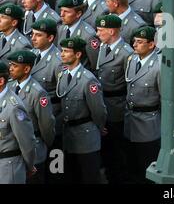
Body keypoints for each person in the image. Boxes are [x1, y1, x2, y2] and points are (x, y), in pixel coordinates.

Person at [57, 36, 107, 184]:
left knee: (89, 176)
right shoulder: (63, 75)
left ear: (78, 54)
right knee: (71, 176)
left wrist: (100, 126)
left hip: (86, 137)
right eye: (62, 51)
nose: (62, 54)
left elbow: (99, 111)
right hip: (69, 136)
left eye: (66, 51)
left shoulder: (88, 80)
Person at [7, 50, 55, 184]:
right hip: (15, 151)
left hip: (34, 149)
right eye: (10, 64)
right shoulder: (10, 86)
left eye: (15, 66)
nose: (10, 68)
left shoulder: (38, 93)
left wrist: (46, 144)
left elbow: (46, 124)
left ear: (27, 69)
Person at [95, 14, 133, 184]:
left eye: (100, 30)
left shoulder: (126, 53)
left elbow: (131, 85)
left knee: (118, 148)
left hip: (117, 107)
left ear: (111, 31)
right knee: (107, 148)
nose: (97, 34)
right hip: (103, 105)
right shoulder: (103, 47)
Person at [124, 25, 161, 183]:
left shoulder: (159, 67)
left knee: (147, 164)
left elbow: (164, 98)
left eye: (140, 42)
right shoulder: (132, 60)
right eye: (134, 41)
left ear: (151, 44)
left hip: (148, 123)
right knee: (131, 165)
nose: (134, 44)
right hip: (131, 120)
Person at [30, 18, 64, 183]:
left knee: (55, 167)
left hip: (53, 119)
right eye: (32, 34)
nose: (33, 38)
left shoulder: (58, 61)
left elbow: (66, 96)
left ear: (50, 38)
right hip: (35, 119)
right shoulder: (33, 54)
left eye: (38, 35)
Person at [0, 61, 36, 184]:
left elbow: (27, 141)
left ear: (1, 81)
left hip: (8, 168)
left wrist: (29, 165)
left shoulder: (13, 107)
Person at [56, 0, 100, 72]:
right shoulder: (61, 29)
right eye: (61, 11)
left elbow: (95, 65)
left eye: (66, 12)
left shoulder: (88, 36)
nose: (61, 15)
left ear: (78, 14)